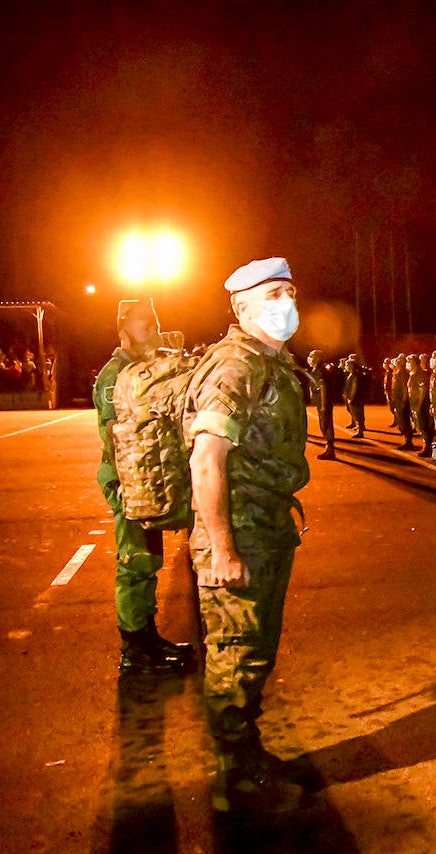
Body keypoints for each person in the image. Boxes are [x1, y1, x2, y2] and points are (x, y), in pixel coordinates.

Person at [184, 257, 312, 813]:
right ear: (242, 308)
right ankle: (236, 781)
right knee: (237, 654)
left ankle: (246, 757)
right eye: (273, 294)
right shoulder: (237, 365)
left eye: (289, 291)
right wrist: (222, 547)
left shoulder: (268, 362)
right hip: (241, 535)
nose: (286, 303)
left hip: (265, 527)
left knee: (253, 652)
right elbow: (206, 460)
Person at [93, 297, 192, 675]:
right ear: (122, 332)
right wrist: (125, 486)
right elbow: (114, 435)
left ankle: (146, 634)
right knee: (135, 561)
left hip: (148, 479)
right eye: (142, 323)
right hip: (127, 479)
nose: (151, 327)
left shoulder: (146, 367)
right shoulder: (114, 374)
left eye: (154, 320)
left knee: (149, 559)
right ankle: (135, 647)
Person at [305, 349, 339, 460]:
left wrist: (324, 404)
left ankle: (330, 450)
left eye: (312, 356)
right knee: (323, 424)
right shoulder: (314, 370)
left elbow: (323, 387)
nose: (310, 358)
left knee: (326, 425)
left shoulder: (320, 370)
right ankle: (328, 447)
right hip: (320, 401)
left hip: (324, 401)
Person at [406, 352, 434, 457]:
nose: (408, 364)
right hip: (414, 404)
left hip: (420, 405)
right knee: (419, 426)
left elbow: (423, 391)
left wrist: (420, 405)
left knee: (423, 426)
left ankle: (428, 447)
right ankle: (427, 446)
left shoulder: (420, 374)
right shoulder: (412, 374)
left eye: (410, 362)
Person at [389, 354, 413, 450]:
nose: (396, 364)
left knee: (404, 421)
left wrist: (404, 401)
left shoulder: (402, 373)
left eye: (398, 362)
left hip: (401, 402)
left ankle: (408, 441)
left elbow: (404, 388)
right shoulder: (397, 372)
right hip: (397, 401)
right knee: (401, 421)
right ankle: (406, 440)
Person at [341, 354, 368, 438]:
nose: (346, 366)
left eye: (347, 365)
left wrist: (352, 398)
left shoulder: (355, 375)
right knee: (355, 414)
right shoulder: (351, 374)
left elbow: (354, 388)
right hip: (352, 397)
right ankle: (359, 429)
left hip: (355, 398)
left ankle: (360, 431)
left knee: (357, 414)